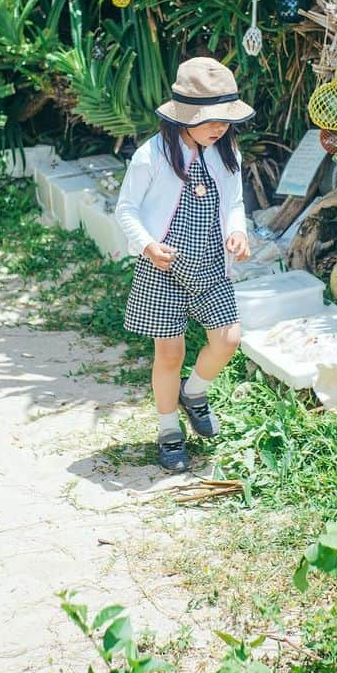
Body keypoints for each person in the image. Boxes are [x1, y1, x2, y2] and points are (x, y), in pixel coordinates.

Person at [115, 57, 253, 472]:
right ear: (184, 117)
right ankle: (168, 428)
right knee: (170, 354)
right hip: (164, 268)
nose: (219, 128)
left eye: (225, 120)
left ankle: (194, 393)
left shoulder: (226, 153)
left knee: (228, 339)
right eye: (210, 120)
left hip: (211, 264)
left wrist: (238, 231)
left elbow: (234, 202)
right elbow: (126, 209)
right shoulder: (151, 155)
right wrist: (147, 246)